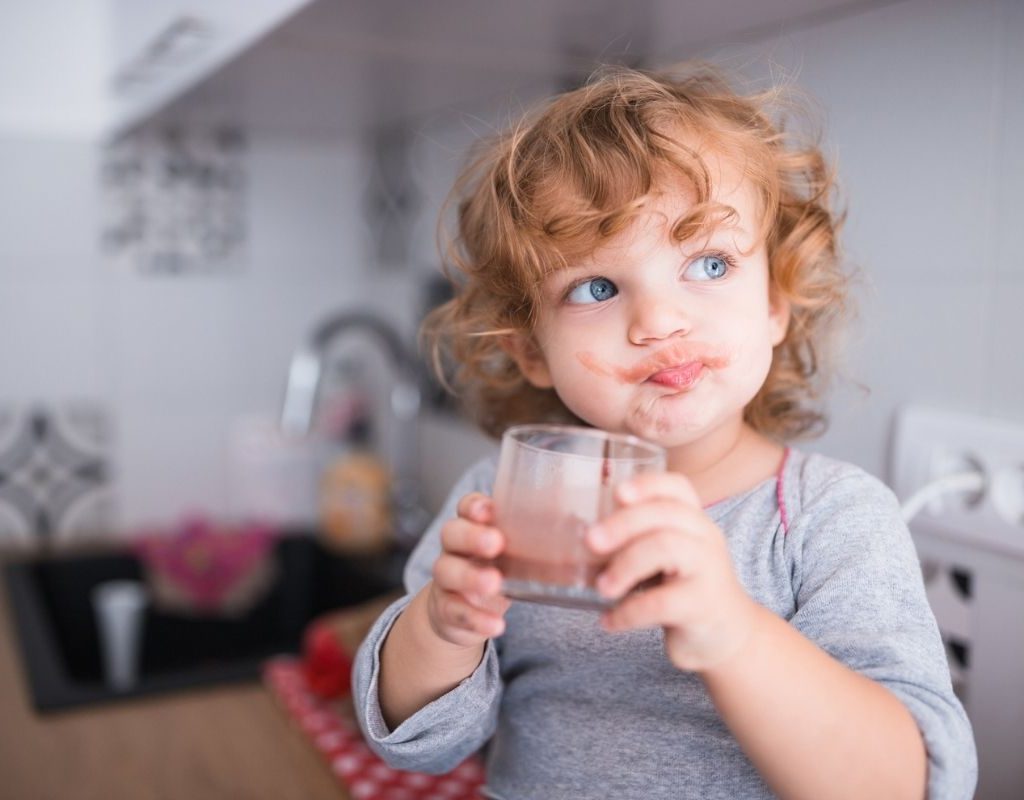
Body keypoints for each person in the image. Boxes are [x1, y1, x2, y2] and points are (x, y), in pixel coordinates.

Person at [351, 63, 977, 799]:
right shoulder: (507, 499)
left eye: (709, 264)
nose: (659, 321)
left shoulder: (831, 518)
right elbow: (418, 742)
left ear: (775, 303)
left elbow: (908, 783)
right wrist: (441, 628)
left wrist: (733, 633)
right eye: (595, 287)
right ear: (530, 350)